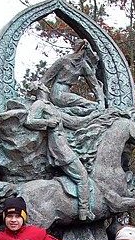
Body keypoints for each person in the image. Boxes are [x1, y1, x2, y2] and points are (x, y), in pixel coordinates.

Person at [25, 82, 94, 221]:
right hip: (59, 149)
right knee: (82, 177)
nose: (47, 87)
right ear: (41, 88)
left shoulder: (50, 105)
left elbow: (73, 122)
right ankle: (84, 211)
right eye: (44, 86)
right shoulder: (39, 104)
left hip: (64, 145)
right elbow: (29, 121)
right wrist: (47, 123)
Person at [41, 40, 105, 116]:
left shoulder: (83, 66)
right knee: (92, 106)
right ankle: (60, 111)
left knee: (95, 107)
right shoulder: (64, 60)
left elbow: (95, 85)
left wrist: (101, 101)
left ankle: (62, 111)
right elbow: (46, 79)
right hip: (58, 92)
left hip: (67, 92)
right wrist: (40, 96)